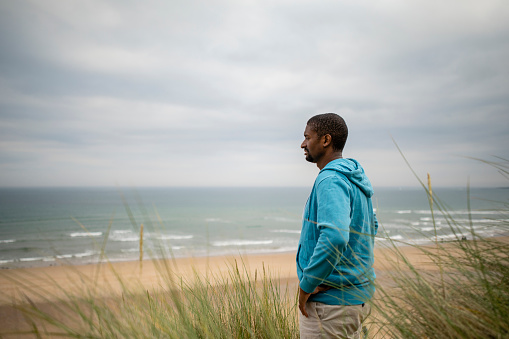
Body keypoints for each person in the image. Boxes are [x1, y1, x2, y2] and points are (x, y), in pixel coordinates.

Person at [297, 113, 378, 339]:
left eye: (307, 137)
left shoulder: (331, 179)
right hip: (355, 297)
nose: (303, 144)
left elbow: (335, 237)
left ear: (326, 140)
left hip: (331, 306)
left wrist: (307, 285)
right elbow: (372, 225)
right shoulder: (353, 176)